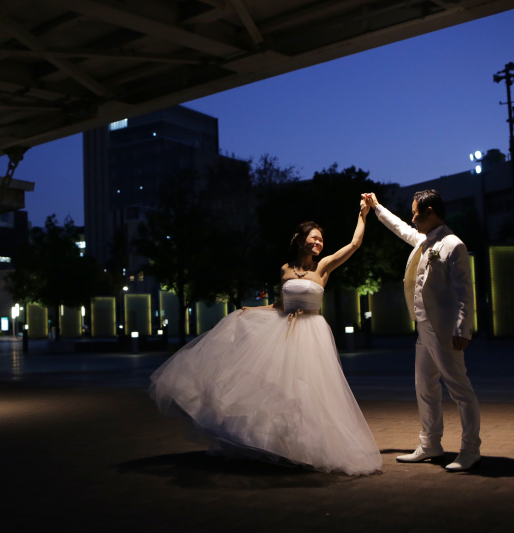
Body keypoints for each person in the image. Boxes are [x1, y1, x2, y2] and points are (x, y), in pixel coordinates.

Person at [150, 197, 383, 475]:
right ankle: (284, 445)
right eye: (315, 238)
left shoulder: (323, 267)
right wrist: (251, 310)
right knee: (281, 390)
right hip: (284, 332)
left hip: (312, 334)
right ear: (301, 240)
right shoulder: (285, 269)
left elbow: (354, 244)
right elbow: (280, 305)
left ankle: (311, 447)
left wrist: (363, 214)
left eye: (321, 240)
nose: (319, 243)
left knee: (311, 390)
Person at [363, 190, 480, 472]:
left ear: (430, 212)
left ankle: (470, 449)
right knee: (425, 387)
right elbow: (401, 229)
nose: (412, 218)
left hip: (443, 331)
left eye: (416, 212)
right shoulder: (424, 241)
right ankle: (430, 444)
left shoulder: (453, 245)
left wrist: (462, 329)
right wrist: (377, 208)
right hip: (423, 330)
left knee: (460, 390)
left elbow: (465, 292)